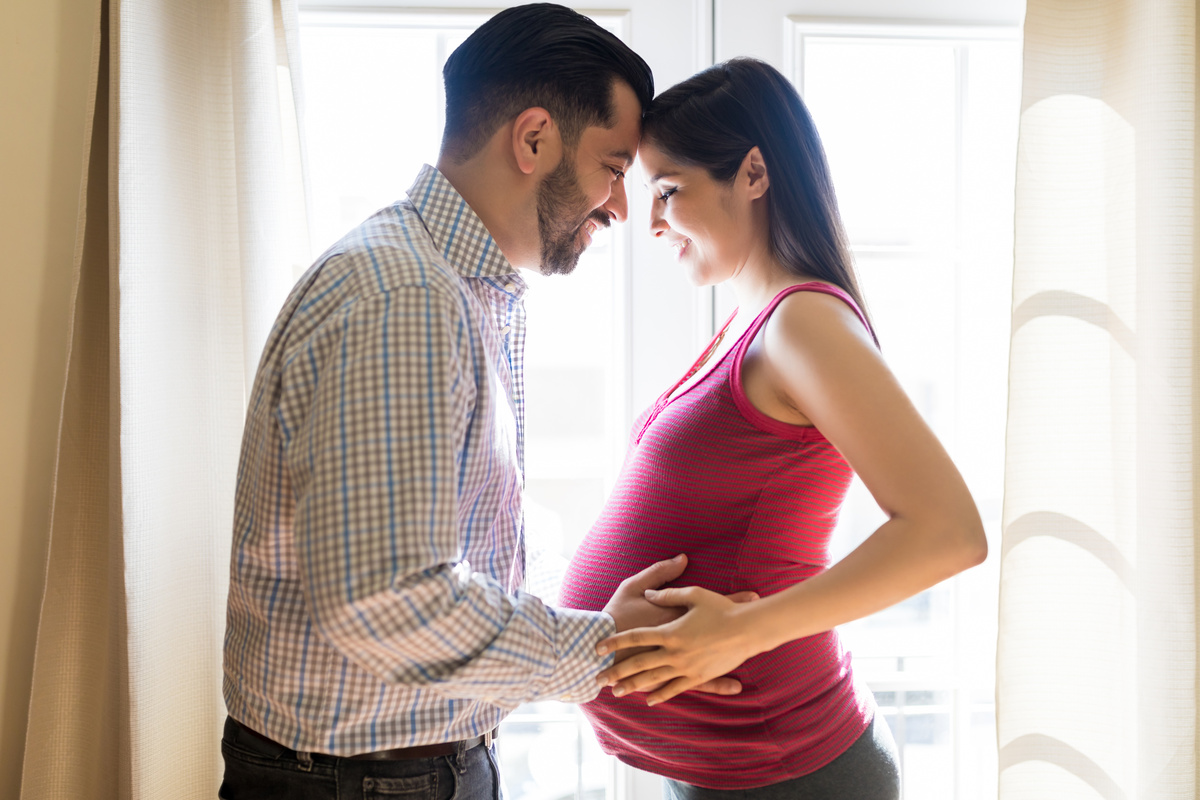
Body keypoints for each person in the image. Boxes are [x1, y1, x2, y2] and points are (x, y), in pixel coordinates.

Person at [219, 7, 748, 799]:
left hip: (398, 770)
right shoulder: (402, 300)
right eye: (613, 168)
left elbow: (451, 538)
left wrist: (593, 610)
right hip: (359, 784)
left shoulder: (460, 292)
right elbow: (387, 599)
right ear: (533, 139)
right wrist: (599, 649)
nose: (621, 209)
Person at [558, 58, 988, 799]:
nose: (652, 223)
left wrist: (740, 632)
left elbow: (949, 533)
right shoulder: (751, 321)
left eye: (668, 192)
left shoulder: (803, 323)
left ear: (753, 173)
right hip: (725, 764)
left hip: (785, 766)